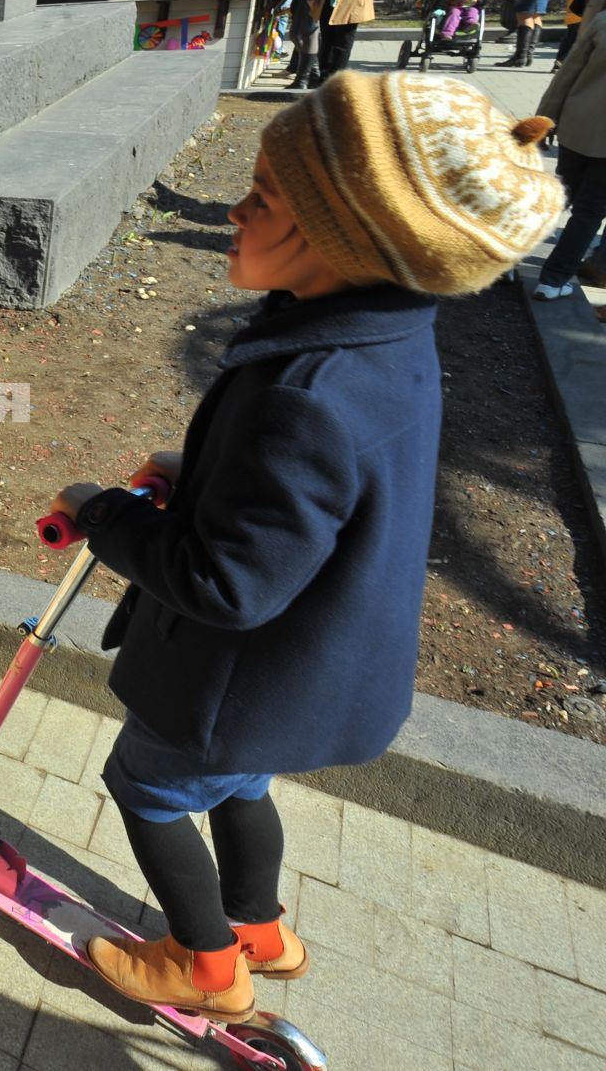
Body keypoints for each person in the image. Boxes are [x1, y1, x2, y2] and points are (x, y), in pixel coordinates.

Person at [51, 71, 565, 1020]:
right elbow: (332, 487)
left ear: (351, 238)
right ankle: (260, 926)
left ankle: (205, 967)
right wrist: (198, 474)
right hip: (312, 670)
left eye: (266, 197)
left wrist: (101, 514)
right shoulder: (385, 336)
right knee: (241, 780)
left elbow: (224, 581)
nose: (236, 209)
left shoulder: (307, 392)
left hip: (239, 675)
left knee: (148, 785)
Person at [535, 6, 606, 298]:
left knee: (555, 199)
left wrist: (545, 118)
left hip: (577, 124)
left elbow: (568, 72)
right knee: (589, 213)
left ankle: (505, 258)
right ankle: (552, 280)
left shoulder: (602, 20)